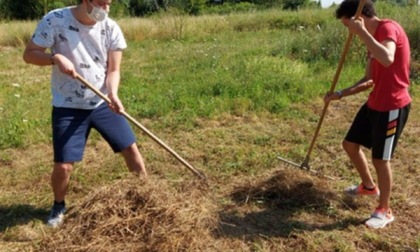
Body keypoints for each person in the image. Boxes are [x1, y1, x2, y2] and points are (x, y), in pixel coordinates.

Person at [23, 0, 148, 228]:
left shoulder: (111, 28)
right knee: (63, 166)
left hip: (102, 103)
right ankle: (59, 205)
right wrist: (54, 58)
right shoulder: (55, 20)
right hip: (67, 106)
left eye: (109, 4)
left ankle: (148, 196)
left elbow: (114, 70)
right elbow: (29, 54)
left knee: (131, 149)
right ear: (86, 1)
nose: (106, 9)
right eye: (101, 3)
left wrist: (113, 94)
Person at [324, 0, 411, 229]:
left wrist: (362, 33)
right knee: (350, 144)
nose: (348, 31)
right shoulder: (372, 38)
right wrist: (340, 94)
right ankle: (369, 187)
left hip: (392, 106)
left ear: (358, 18)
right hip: (375, 103)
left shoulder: (387, 29)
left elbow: (388, 58)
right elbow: (369, 79)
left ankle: (385, 210)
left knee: (380, 159)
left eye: (347, 25)